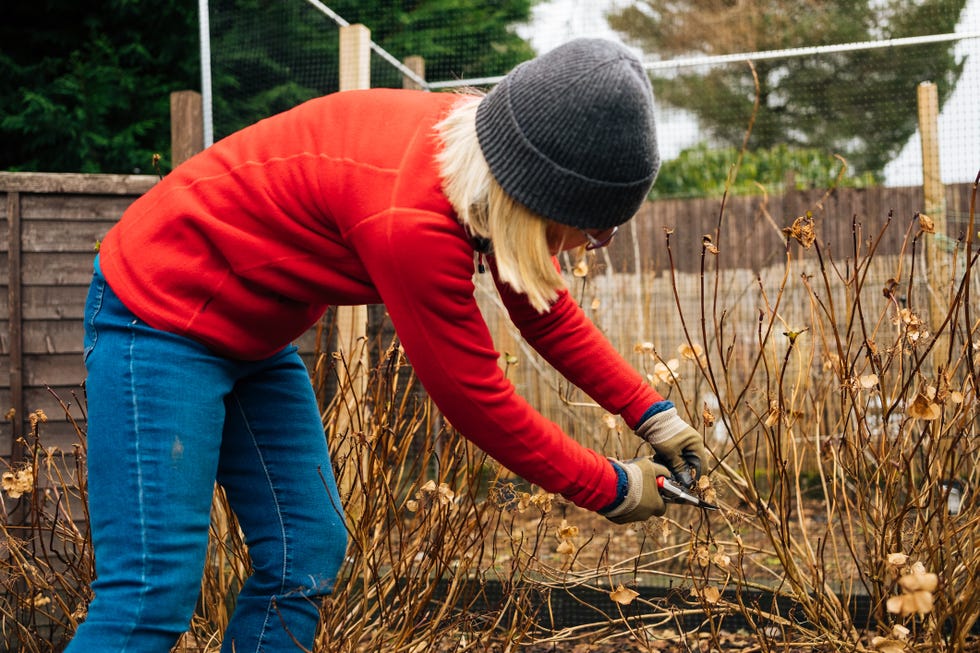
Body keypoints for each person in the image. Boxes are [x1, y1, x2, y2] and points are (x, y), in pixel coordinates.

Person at [68, 37, 706, 653]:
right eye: (594, 232)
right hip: (157, 316)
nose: (592, 246)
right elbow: (476, 400)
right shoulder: (414, 223)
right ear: (537, 200)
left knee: (305, 553)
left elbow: (544, 310)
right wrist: (611, 486)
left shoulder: (483, 163)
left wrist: (654, 414)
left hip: (253, 336)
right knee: (151, 596)